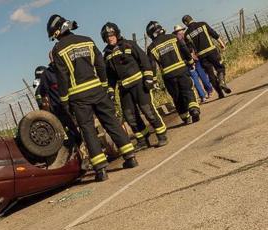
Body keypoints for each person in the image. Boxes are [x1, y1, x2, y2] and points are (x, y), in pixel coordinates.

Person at [47, 14, 138, 182]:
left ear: (58, 31)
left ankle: (101, 170)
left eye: (54, 35)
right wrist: (104, 85)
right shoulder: (87, 40)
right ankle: (130, 157)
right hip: (97, 89)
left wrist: (65, 101)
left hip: (78, 96)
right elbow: (100, 64)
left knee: (88, 130)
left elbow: (62, 77)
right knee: (111, 122)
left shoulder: (58, 49)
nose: (55, 39)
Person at [101, 22, 168, 150]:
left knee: (148, 110)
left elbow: (144, 61)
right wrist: (110, 91)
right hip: (124, 90)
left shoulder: (129, 44)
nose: (110, 38)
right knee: (130, 116)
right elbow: (110, 77)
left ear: (117, 34)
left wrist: (149, 79)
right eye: (107, 36)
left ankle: (161, 134)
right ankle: (142, 139)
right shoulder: (107, 55)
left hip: (139, 85)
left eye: (112, 35)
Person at [146, 21, 201, 125]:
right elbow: (184, 48)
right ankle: (194, 109)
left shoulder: (151, 47)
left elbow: (152, 65)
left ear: (150, 34)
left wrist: (153, 80)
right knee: (187, 90)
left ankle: (185, 117)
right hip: (181, 70)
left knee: (177, 96)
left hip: (168, 76)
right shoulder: (173, 37)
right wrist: (190, 61)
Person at [182, 14, 232, 98]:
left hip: (201, 56)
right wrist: (222, 43)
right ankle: (222, 81)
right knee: (220, 67)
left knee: (210, 74)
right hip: (212, 51)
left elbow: (190, 50)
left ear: (186, 23)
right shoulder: (203, 24)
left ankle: (220, 93)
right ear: (192, 19)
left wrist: (192, 61)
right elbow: (214, 34)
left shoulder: (187, 34)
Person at [172, 25, 214, 103]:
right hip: (194, 59)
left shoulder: (176, 42)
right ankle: (208, 90)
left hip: (188, 61)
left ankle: (203, 96)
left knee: (196, 78)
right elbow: (192, 47)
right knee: (200, 75)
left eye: (179, 31)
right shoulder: (186, 37)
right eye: (179, 32)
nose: (180, 33)